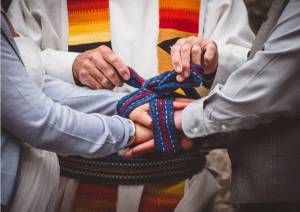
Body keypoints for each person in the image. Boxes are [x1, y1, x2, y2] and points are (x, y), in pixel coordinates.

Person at [6, 0, 255, 211]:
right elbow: (13, 65)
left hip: (180, 188)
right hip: (69, 186)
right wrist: (71, 65)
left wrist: (214, 60)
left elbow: (254, 74)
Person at [129, 0, 300, 211]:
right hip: (84, 174)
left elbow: (275, 77)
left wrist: (175, 121)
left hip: (275, 186)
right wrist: (74, 67)